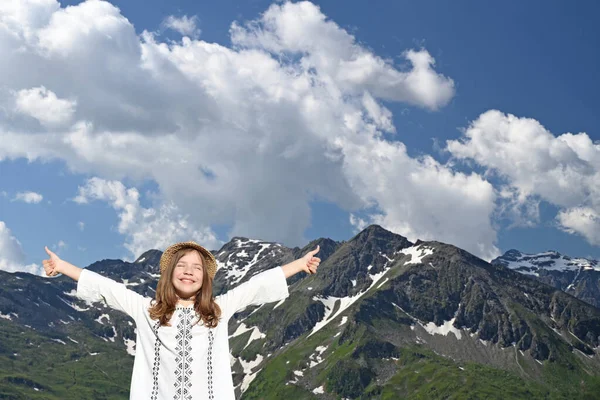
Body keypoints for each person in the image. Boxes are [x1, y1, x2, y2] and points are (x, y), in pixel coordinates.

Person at [42, 241, 320, 400]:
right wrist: (62, 266)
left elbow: (257, 286)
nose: (189, 272)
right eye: (182, 266)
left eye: (196, 267)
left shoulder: (219, 311)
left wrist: (299, 264)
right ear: (170, 273)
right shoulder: (146, 310)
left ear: (205, 279)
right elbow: (107, 288)